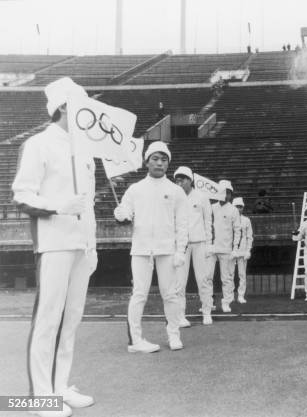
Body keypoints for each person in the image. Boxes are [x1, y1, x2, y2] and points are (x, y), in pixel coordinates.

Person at [12, 77, 97, 417]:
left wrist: (92, 244)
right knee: (48, 319)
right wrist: (59, 206)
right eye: (82, 103)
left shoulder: (85, 148)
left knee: (71, 318)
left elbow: (87, 204)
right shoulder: (39, 144)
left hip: (82, 245)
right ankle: (40, 398)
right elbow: (22, 195)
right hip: (54, 244)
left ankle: (61, 386)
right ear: (64, 107)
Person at [114, 141, 188, 353]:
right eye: (155, 158)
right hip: (141, 249)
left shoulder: (176, 191)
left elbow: (182, 225)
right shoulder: (135, 189)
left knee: (170, 295)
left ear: (168, 164)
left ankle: (174, 334)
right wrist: (121, 214)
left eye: (164, 159)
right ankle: (135, 340)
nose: (159, 163)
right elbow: (125, 211)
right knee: (139, 294)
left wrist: (180, 251)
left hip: (167, 250)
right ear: (147, 161)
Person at [173, 166, 213, 327]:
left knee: (203, 279)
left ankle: (207, 311)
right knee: (179, 282)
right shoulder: (175, 197)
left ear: (190, 180)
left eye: (182, 179)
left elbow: (208, 222)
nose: (179, 182)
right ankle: (180, 315)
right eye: (177, 180)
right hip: (181, 245)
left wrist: (209, 244)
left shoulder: (202, 197)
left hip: (200, 243)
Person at [207, 179, 241, 313]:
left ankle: (226, 302)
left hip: (226, 249)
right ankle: (208, 302)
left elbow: (237, 230)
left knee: (226, 278)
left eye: (228, 193)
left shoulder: (233, 210)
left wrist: (235, 249)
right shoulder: (211, 207)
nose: (226, 195)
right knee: (207, 277)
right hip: (211, 248)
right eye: (223, 192)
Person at [231, 197, 253, 304]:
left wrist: (248, 250)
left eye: (240, 207)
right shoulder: (229, 219)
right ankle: (229, 295)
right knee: (229, 275)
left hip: (243, 250)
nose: (238, 209)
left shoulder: (246, 220)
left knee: (242, 275)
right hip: (231, 250)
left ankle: (241, 295)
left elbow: (249, 236)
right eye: (236, 207)